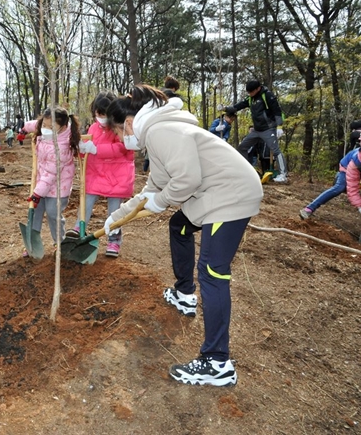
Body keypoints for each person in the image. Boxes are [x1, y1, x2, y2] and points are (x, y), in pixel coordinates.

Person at [105, 84, 263, 387]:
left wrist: (161, 201)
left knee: (213, 273)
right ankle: (184, 294)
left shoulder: (160, 132)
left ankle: (217, 363)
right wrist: (116, 218)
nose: (122, 139)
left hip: (228, 197)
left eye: (119, 132)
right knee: (179, 225)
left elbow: (186, 181)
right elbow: (152, 189)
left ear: (128, 122)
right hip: (215, 194)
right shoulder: (160, 131)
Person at [67, 91, 134, 258]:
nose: (101, 117)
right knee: (86, 202)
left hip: (117, 176)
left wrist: (96, 149)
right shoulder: (93, 128)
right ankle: (78, 228)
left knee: (114, 212)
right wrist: (82, 150)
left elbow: (122, 148)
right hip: (96, 175)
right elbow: (89, 150)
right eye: (99, 113)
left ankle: (113, 240)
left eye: (104, 114)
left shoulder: (120, 127)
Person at [25, 107, 80, 256]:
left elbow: (50, 174)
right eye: (44, 125)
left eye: (51, 127)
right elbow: (34, 124)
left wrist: (37, 193)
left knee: (52, 213)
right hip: (42, 183)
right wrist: (24, 129)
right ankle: (32, 241)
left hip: (58, 187)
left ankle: (60, 242)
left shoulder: (61, 148)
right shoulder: (43, 128)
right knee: (35, 211)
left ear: (62, 128)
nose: (46, 129)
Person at [225, 80, 288, 183]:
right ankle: (247, 171)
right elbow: (240, 105)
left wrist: (279, 126)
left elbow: (277, 111)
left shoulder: (267, 96)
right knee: (242, 148)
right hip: (256, 130)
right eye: (248, 92)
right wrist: (227, 108)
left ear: (258, 88)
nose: (249, 94)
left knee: (276, 150)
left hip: (268, 129)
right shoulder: (251, 98)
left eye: (251, 92)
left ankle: (283, 175)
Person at [302, 124, 361, 219]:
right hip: (346, 167)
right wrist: (359, 206)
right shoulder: (356, 161)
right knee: (340, 187)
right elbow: (352, 188)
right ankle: (309, 209)